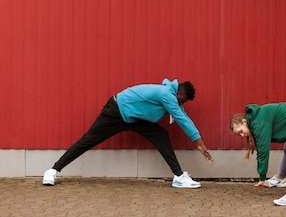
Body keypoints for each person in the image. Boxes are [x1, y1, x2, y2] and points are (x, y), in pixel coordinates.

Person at [42, 78, 213, 188]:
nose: (180, 104)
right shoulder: (166, 94)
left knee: (160, 135)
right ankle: (53, 170)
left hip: (134, 118)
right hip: (115, 112)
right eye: (181, 100)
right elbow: (181, 119)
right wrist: (199, 143)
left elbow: (182, 115)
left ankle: (179, 177)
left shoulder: (171, 96)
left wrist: (199, 142)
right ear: (178, 93)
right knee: (88, 140)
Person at [229, 102, 286, 206]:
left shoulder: (258, 122)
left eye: (241, 130)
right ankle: (280, 179)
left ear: (244, 121)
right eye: (238, 134)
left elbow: (263, 151)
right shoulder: (255, 121)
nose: (241, 135)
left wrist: (262, 178)